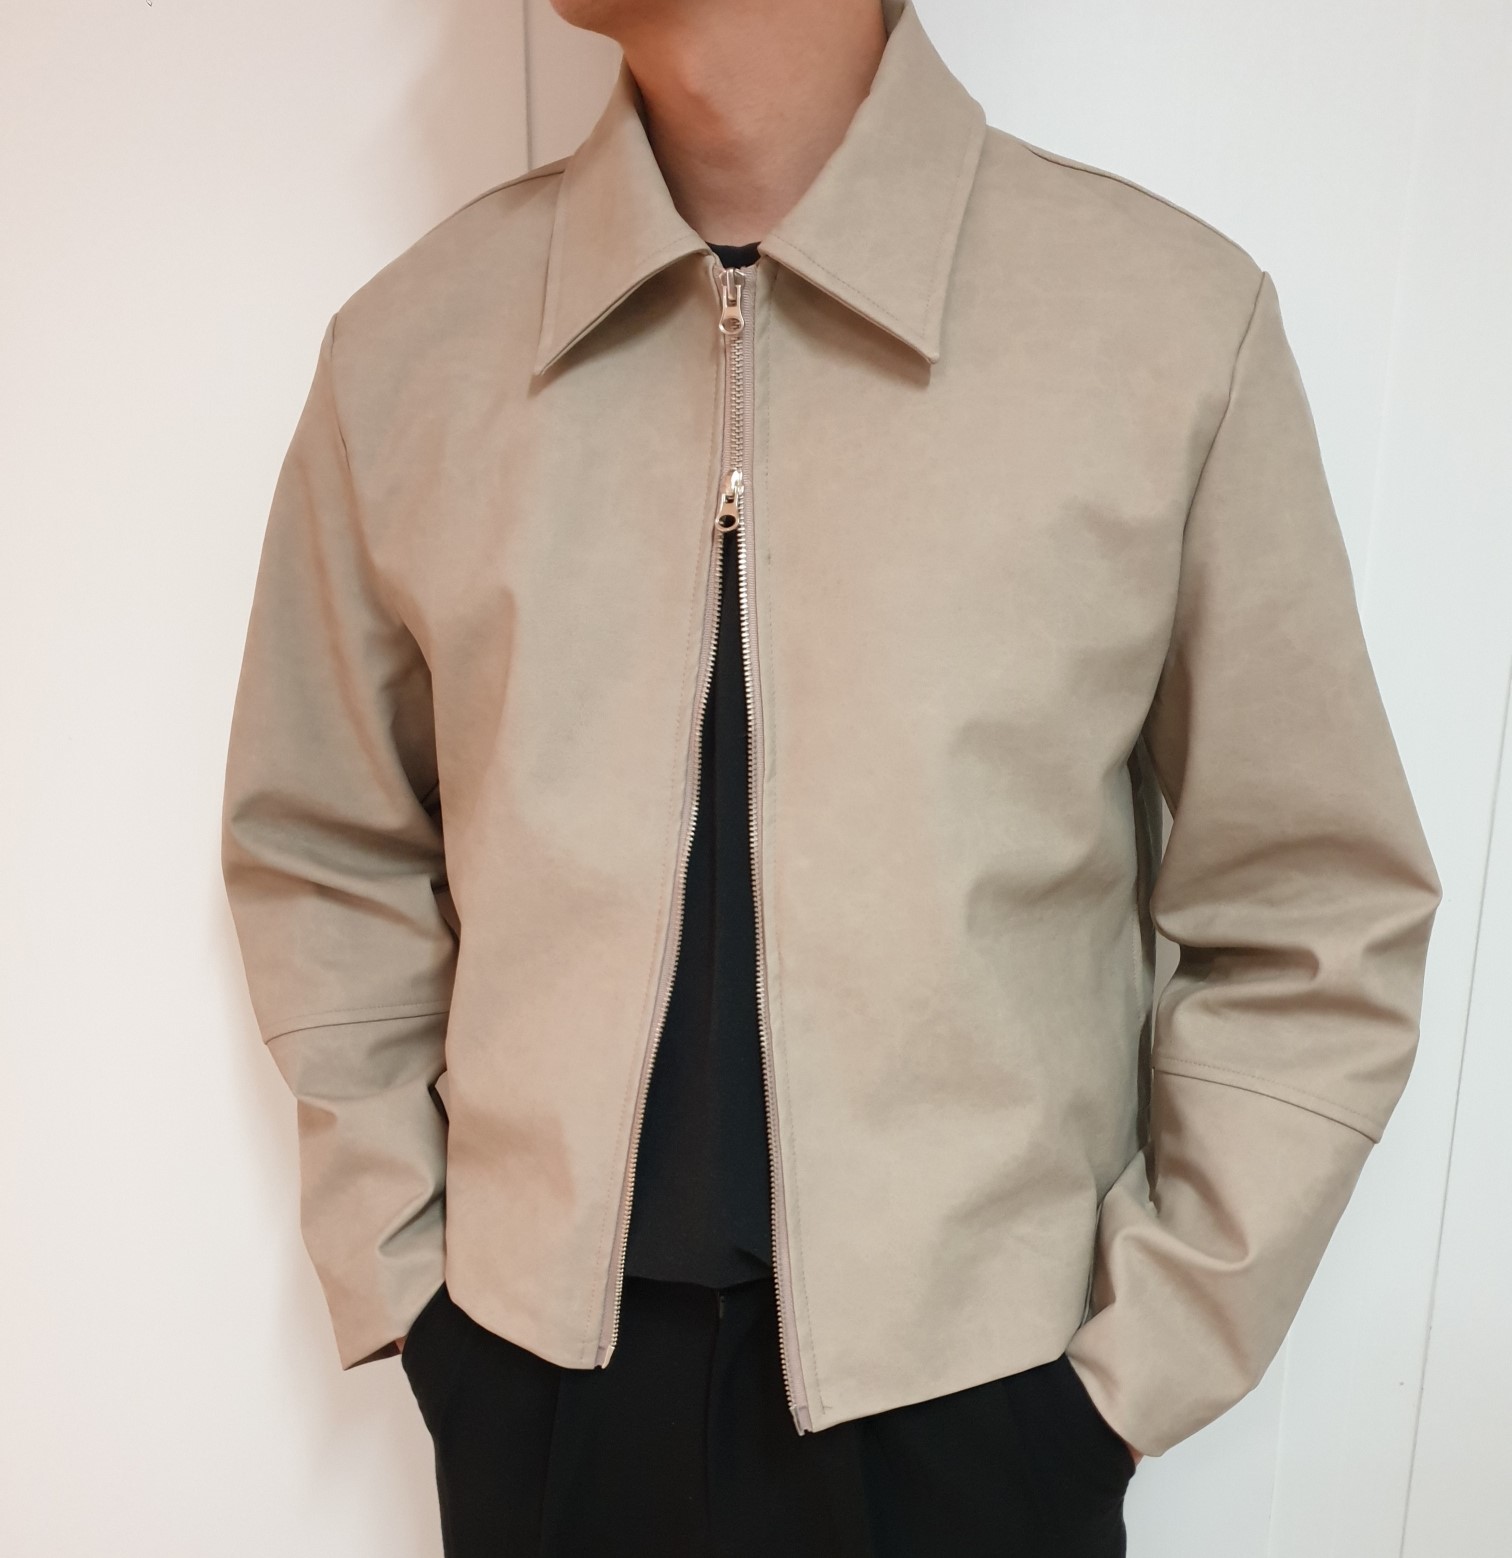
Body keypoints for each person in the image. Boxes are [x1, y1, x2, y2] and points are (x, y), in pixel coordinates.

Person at [219, 1, 1442, 1553]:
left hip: (978, 1425)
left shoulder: (1159, 332)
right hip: (543, 1407)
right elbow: (322, 849)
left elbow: (1316, 909)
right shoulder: (415, 352)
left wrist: (1115, 1388)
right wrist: (419, 1290)